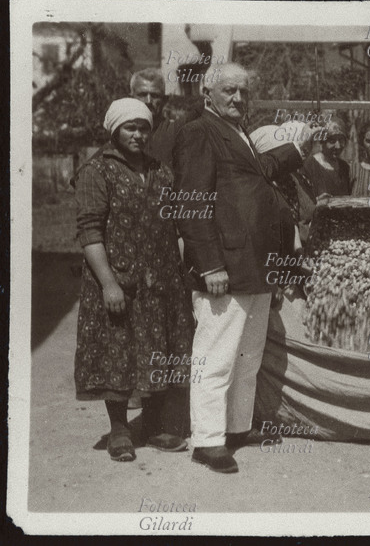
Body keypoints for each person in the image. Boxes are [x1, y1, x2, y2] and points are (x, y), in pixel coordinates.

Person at [173, 63, 318, 474]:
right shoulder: (199, 132)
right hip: (225, 268)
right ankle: (207, 440)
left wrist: (297, 149)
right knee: (216, 356)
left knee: (248, 356)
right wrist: (209, 265)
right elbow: (191, 204)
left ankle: (236, 428)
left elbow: (262, 171)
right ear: (208, 94)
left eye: (243, 91)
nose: (238, 98)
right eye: (229, 91)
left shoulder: (236, 133)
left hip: (255, 267)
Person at [73, 98, 194, 462]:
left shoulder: (161, 171)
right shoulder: (97, 170)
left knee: (158, 348)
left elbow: (175, 227)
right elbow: (90, 232)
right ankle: (119, 430)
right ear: (114, 130)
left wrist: (180, 274)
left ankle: (153, 426)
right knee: (117, 351)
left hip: (160, 280)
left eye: (144, 128)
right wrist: (109, 283)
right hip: (118, 279)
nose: (138, 135)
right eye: (130, 127)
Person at [299, 117, 351, 199]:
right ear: (322, 141)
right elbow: (302, 198)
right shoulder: (309, 166)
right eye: (332, 141)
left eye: (341, 140)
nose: (338, 146)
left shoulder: (344, 167)